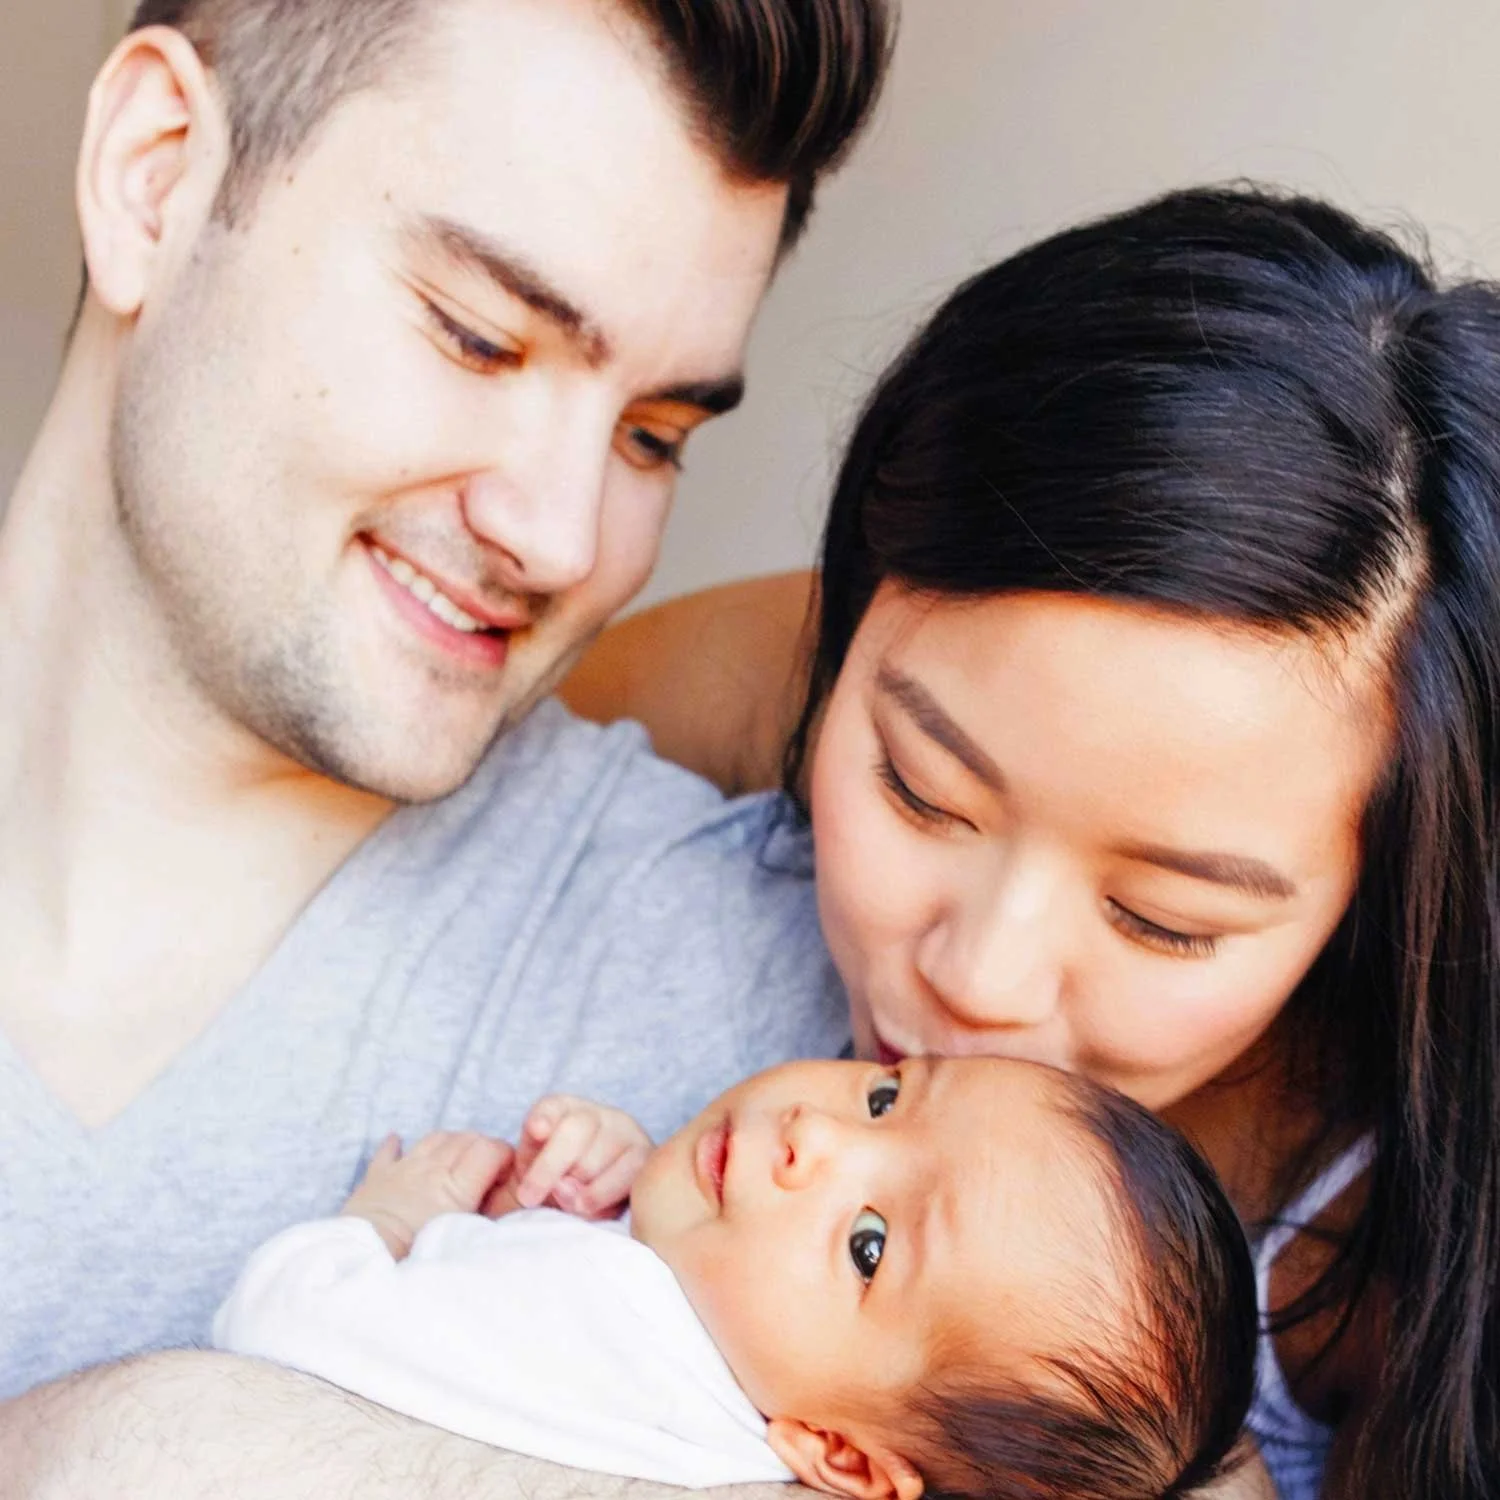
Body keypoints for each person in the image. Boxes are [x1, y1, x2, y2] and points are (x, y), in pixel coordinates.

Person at [0, 0, 890, 1486]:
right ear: (156, 175)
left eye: (653, 436)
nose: (562, 539)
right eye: (481, 338)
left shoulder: (786, 1064)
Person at [561, 187, 1500, 1500]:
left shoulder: (1388, 1264)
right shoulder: (814, 664)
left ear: (1393, 892)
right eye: (921, 791)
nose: (977, 982)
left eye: (1164, 918)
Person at [213, 1058, 1258, 1500]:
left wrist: (391, 1220)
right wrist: (619, 1199)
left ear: (842, 1455)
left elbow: (276, 1334)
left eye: (869, 1245)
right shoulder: (710, 1406)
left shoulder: (609, 1321)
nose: (816, 1134)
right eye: (889, 1097)